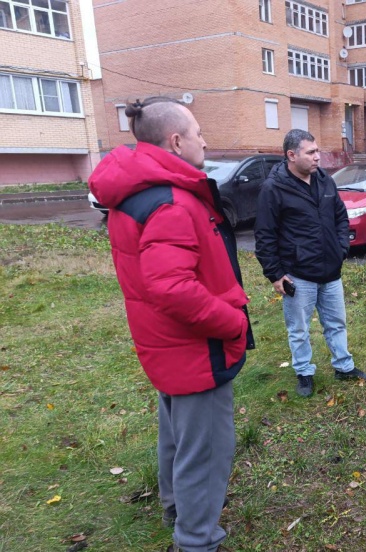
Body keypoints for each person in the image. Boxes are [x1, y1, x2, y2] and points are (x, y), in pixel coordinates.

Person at [88, 96, 254, 552]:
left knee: (178, 436)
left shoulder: (138, 191)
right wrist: (232, 322)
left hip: (166, 346)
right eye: (199, 133)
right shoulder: (171, 202)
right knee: (206, 451)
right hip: (195, 348)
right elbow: (172, 287)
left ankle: (177, 509)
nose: (205, 141)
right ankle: (197, 539)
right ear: (176, 141)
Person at [254, 129, 366, 398]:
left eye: (317, 151)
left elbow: (341, 217)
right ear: (291, 155)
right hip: (299, 275)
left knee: (336, 324)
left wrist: (341, 248)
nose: (318, 157)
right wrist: (275, 275)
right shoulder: (274, 189)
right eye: (311, 153)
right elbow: (264, 235)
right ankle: (304, 373)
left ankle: (344, 367)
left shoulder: (324, 181)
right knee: (299, 328)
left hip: (331, 271)